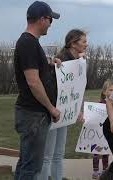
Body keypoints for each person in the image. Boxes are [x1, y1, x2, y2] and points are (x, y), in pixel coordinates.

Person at [13, 1, 60, 180]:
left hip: (33, 114)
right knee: (31, 167)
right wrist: (51, 108)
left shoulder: (30, 43)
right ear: (41, 19)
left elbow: (34, 70)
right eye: (50, 20)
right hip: (34, 115)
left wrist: (49, 64)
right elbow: (33, 82)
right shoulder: (28, 43)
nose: (50, 24)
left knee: (26, 163)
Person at [37, 29, 88, 180]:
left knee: (59, 154)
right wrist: (52, 66)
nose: (87, 44)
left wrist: (79, 109)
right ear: (73, 43)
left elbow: (79, 87)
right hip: (53, 112)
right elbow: (46, 81)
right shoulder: (60, 60)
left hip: (65, 113)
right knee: (47, 156)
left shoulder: (79, 62)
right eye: (84, 41)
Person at [92, 79, 113, 179]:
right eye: (110, 90)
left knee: (106, 151)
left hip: (108, 133)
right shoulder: (99, 104)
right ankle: (95, 170)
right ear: (104, 92)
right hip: (97, 133)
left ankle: (105, 170)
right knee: (96, 152)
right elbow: (92, 117)